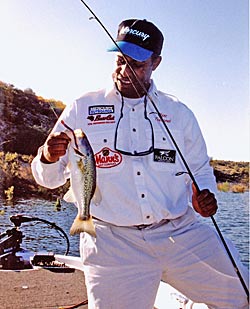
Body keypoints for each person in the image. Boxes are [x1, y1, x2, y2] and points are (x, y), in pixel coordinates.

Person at [31, 19, 248, 309]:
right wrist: (47, 156)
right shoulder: (82, 107)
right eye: (120, 61)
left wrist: (205, 195)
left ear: (155, 63)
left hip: (181, 231)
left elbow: (200, 170)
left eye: (136, 64)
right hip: (111, 242)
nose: (124, 71)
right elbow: (48, 179)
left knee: (241, 294)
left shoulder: (179, 113)